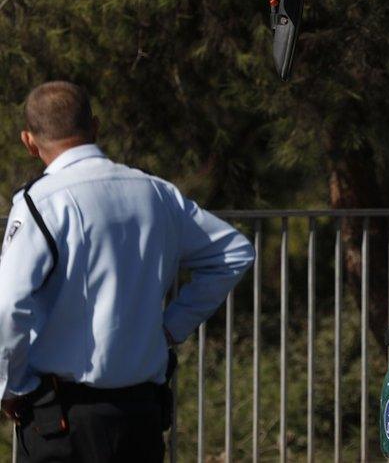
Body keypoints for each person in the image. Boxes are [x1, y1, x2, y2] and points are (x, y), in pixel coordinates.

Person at [0, 81, 255, 461]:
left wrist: (12, 386)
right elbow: (233, 252)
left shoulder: (41, 202)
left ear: (29, 141)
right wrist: (172, 325)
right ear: (96, 127)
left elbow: (9, 306)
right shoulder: (157, 192)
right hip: (140, 412)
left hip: (62, 418)